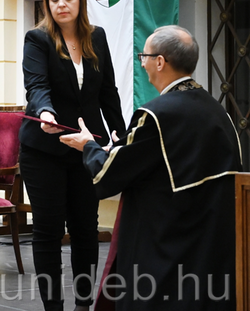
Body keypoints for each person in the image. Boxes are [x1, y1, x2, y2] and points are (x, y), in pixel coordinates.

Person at [60, 25, 242, 311]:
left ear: (159, 62)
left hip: (166, 244)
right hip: (213, 246)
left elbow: (109, 174)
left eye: (143, 56)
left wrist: (89, 146)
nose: (142, 63)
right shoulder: (220, 112)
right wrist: (122, 150)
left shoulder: (156, 115)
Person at [20, 0, 124, 311]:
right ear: (47, 4)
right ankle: (53, 307)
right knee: (48, 230)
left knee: (85, 228)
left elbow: (107, 92)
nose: (61, 4)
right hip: (43, 149)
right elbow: (37, 85)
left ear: (80, 0)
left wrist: (120, 135)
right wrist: (46, 112)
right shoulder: (38, 39)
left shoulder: (97, 37)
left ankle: (83, 304)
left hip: (86, 147)